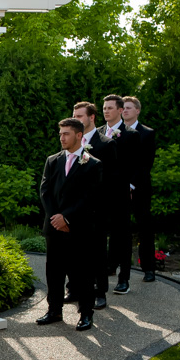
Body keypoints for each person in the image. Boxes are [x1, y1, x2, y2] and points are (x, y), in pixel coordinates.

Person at [38, 118, 102, 331]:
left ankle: (86, 314)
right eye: (60, 134)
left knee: (82, 273)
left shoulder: (92, 164)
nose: (62, 137)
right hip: (54, 227)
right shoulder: (52, 161)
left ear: (78, 136)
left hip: (79, 228)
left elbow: (90, 197)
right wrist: (56, 217)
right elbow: (45, 191)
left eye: (66, 134)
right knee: (54, 271)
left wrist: (67, 218)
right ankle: (54, 310)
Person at [71, 101, 119, 310]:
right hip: (74, 206)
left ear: (91, 118)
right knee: (73, 250)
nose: (76, 120)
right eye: (74, 116)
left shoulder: (106, 144)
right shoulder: (72, 141)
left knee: (98, 251)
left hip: (97, 207)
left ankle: (100, 292)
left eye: (80, 116)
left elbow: (111, 179)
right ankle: (75, 288)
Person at [98, 94, 140, 295]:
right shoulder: (97, 134)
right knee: (99, 235)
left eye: (110, 108)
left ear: (120, 110)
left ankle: (124, 279)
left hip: (120, 192)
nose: (106, 111)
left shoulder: (131, 134)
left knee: (122, 237)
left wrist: (130, 187)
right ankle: (102, 272)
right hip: (99, 194)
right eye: (104, 108)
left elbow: (135, 165)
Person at [122, 96, 157, 283]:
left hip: (140, 188)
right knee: (119, 228)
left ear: (137, 111)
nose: (125, 110)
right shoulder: (115, 133)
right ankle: (115, 266)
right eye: (123, 108)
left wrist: (131, 185)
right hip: (118, 189)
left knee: (144, 228)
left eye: (129, 107)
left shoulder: (147, 133)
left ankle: (149, 269)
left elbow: (145, 164)